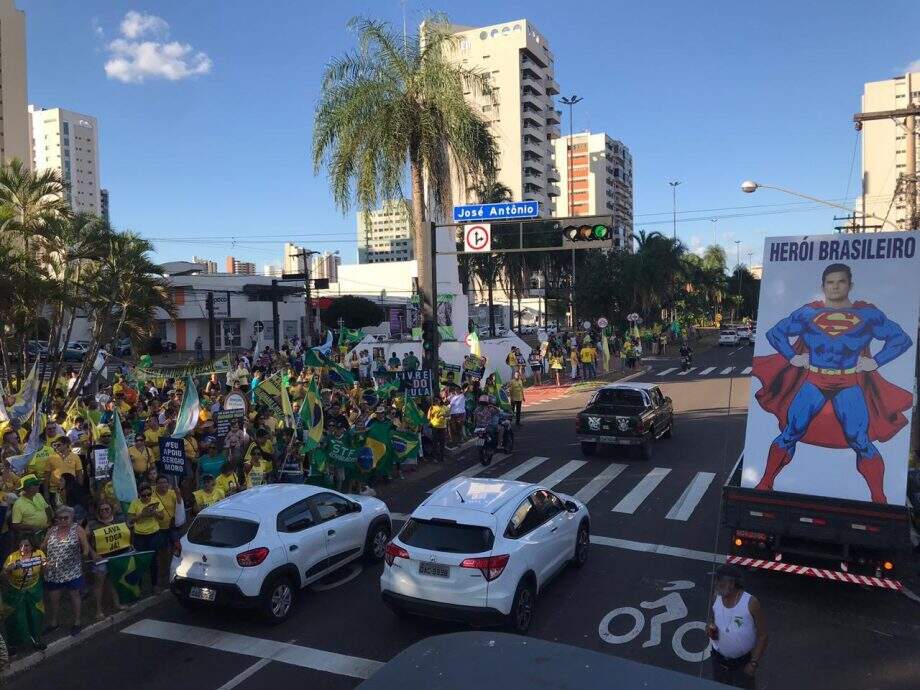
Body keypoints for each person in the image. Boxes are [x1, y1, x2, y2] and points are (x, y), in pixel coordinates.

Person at [754, 263, 912, 502]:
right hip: (814, 380)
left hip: (848, 382)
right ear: (823, 286)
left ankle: (879, 499)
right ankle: (765, 483)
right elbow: (776, 333)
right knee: (791, 431)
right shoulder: (808, 314)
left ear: (850, 285)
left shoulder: (867, 314)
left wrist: (877, 361)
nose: (835, 286)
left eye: (840, 281)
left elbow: (900, 339)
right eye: (830, 282)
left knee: (860, 439)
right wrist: (793, 357)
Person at [707, 564, 768, 688]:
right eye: (716, 580)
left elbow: (763, 635)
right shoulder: (716, 596)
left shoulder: (751, 603)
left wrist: (753, 664)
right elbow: (711, 619)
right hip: (718, 661)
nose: (716, 584)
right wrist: (709, 628)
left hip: (742, 664)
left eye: (720, 581)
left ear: (732, 584)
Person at [42, 506, 92, 636]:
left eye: (66, 518)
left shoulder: (77, 529)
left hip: (72, 570)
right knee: (54, 597)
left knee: (74, 595)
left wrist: (83, 554)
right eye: (60, 518)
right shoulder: (52, 530)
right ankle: (54, 623)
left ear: (71, 518)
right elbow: (43, 546)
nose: (63, 520)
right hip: (53, 571)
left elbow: (86, 548)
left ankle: (77, 622)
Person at [87, 501, 131, 620]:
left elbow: (127, 534)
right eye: (101, 510)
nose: (104, 512)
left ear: (111, 509)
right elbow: (85, 541)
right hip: (101, 558)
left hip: (117, 555)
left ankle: (117, 603)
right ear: (97, 511)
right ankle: (99, 610)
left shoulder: (119, 520)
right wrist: (93, 553)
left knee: (115, 580)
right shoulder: (92, 525)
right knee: (99, 584)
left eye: (107, 509)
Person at [2, 538, 47, 652]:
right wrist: (8, 570)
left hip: (34, 590)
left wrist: (47, 564)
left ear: (32, 546)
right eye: (20, 545)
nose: (23, 548)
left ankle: (36, 640)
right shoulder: (12, 557)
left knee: (35, 614)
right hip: (16, 591)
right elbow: (3, 576)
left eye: (26, 545)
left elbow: (45, 566)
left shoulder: (39, 554)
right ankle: (14, 644)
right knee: (15, 617)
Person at [127, 482, 165, 592]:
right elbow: (130, 521)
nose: (147, 497)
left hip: (154, 534)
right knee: (139, 561)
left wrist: (155, 513)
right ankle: (138, 587)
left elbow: (162, 517)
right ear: (139, 495)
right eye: (144, 495)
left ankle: (155, 585)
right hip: (140, 536)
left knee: (153, 560)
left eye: (149, 494)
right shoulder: (135, 503)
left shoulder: (155, 501)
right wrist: (142, 515)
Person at [11, 475, 52, 545]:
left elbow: (47, 508)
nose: (38, 486)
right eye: (35, 484)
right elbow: (15, 524)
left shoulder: (38, 495)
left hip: (45, 531)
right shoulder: (18, 504)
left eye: (38, 484)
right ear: (27, 487)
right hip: (31, 535)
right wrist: (32, 527)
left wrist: (49, 521)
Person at [426, 396, 448, 463]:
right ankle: (435, 458)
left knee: (442, 443)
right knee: (435, 443)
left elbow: (448, 414)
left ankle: (442, 457)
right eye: (435, 400)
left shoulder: (444, 407)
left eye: (437, 400)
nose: (436, 401)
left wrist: (444, 416)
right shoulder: (432, 408)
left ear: (440, 400)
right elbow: (428, 417)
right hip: (435, 427)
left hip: (443, 427)